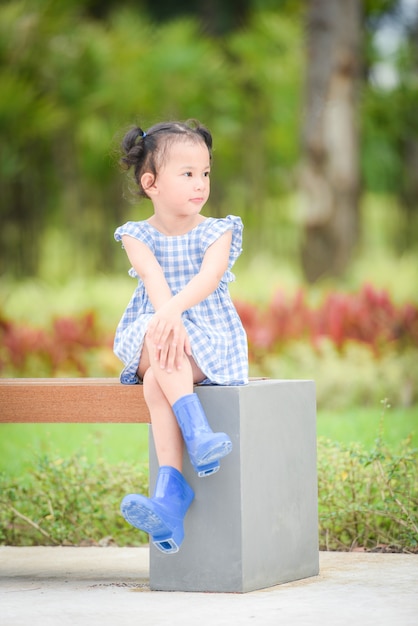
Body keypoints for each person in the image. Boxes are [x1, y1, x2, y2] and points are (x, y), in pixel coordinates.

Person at [114, 119, 248, 554]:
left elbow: (209, 279)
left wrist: (171, 313)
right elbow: (153, 279)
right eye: (187, 174)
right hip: (159, 332)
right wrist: (166, 316)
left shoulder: (218, 229)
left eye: (205, 173)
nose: (200, 183)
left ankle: (172, 496)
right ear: (150, 183)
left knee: (158, 378)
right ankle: (195, 443)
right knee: (159, 345)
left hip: (205, 337)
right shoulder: (137, 235)